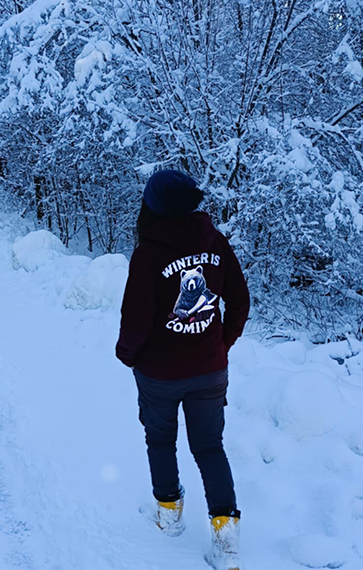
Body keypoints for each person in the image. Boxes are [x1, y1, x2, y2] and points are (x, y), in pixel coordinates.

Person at [115, 170, 250, 570]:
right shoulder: (216, 242)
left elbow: (136, 319)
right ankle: (227, 543)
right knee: (210, 447)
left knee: (160, 440)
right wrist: (219, 344)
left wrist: (127, 354)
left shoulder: (149, 253)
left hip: (159, 373)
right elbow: (239, 302)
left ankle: (169, 517)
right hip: (210, 370)